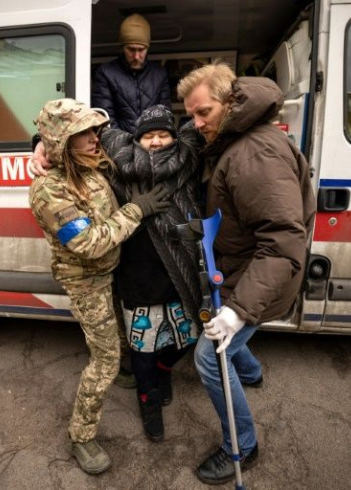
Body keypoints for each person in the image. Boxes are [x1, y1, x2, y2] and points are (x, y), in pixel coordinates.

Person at [176, 62, 316, 485]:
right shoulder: (233, 136)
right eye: (191, 114)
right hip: (243, 269)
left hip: (257, 276)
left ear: (231, 102)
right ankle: (252, 373)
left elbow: (282, 243)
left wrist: (237, 311)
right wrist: (44, 145)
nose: (196, 124)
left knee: (209, 356)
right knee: (229, 347)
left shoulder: (253, 153)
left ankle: (245, 444)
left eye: (203, 113)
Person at [28, 98, 170, 475]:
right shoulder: (49, 191)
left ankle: (122, 370)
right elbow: (90, 244)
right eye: (85, 133)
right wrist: (137, 210)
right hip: (85, 279)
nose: (96, 137)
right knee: (104, 359)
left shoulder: (89, 162)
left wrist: (38, 144)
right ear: (64, 142)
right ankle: (81, 435)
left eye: (95, 129)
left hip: (112, 270)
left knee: (118, 332)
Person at [101, 104, 204, 442]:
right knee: (142, 347)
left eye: (163, 134)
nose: (157, 141)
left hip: (178, 273)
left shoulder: (188, 156)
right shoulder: (119, 163)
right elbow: (81, 128)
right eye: (148, 135)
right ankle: (148, 400)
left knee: (183, 338)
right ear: (136, 138)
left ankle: (164, 371)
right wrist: (40, 142)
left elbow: (216, 113)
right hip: (137, 275)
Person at [91, 13, 171, 133]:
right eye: (131, 49)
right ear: (122, 47)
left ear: (147, 48)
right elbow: (106, 118)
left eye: (141, 50)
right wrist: (124, 146)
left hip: (153, 144)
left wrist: (151, 141)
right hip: (118, 147)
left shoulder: (159, 74)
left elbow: (164, 116)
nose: (136, 56)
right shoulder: (105, 73)